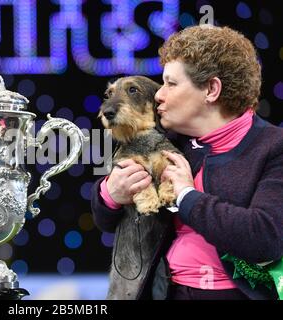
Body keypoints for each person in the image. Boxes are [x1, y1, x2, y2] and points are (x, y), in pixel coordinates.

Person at [91, 25, 283, 300]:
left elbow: (265, 238)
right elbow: (107, 220)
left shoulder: (274, 147)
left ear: (211, 90)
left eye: (171, 83)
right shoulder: (168, 140)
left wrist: (186, 196)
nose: (158, 94)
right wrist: (111, 194)